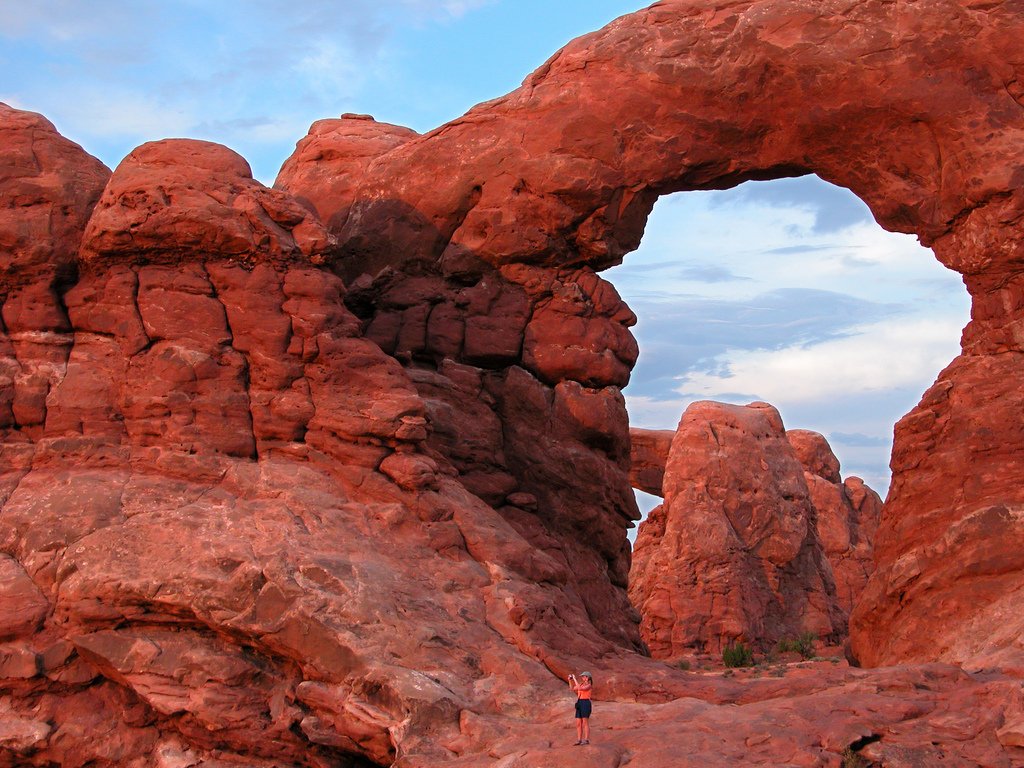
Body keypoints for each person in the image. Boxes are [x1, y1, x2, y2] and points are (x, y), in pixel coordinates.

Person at [568, 671, 593, 745]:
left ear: (587, 677)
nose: (582, 678)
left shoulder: (589, 685)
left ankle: (586, 740)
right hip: (579, 702)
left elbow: (580, 689)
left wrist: (575, 679)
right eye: (582, 676)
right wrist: (570, 680)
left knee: (585, 722)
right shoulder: (581, 684)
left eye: (583, 676)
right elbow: (572, 688)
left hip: (585, 703)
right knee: (578, 723)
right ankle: (579, 740)